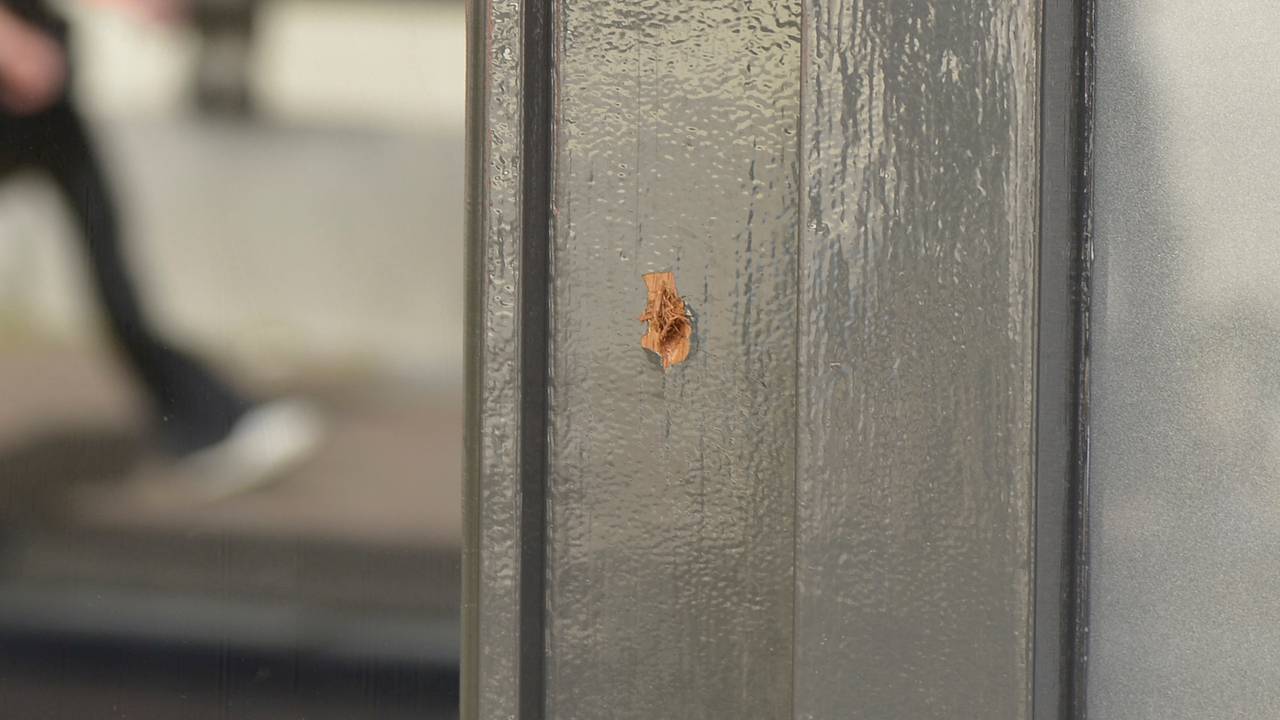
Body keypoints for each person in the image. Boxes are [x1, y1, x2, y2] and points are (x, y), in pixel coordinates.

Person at [0, 0, 321, 496]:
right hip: (22, 81)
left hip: (43, 95)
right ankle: (207, 420)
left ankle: (207, 420)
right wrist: (12, 43)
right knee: (109, 265)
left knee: (111, 266)